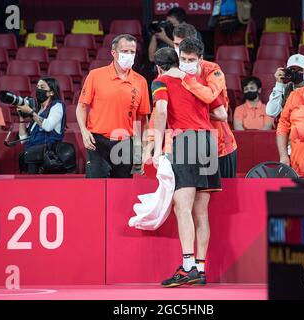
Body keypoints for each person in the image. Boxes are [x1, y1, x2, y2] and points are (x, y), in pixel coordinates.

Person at [149, 47, 226, 287]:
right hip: (207, 142)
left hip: (185, 141)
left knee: (182, 207)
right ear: (178, 61)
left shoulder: (160, 81)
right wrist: (196, 114)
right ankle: (201, 270)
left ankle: (188, 267)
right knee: (200, 211)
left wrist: (159, 147)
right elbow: (222, 114)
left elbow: (161, 112)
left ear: (159, 66)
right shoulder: (197, 81)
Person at [76, 34, 151, 179]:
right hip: (97, 142)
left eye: (132, 52)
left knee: (122, 191)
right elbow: (81, 107)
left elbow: (142, 121)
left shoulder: (140, 81)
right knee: (95, 190)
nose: (129, 55)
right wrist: (84, 131)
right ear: (113, 53)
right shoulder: (95, 75)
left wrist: (141, 152)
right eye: (125, 51)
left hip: (125, 143)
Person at [170, 24, 238, 178]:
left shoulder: (212, 70)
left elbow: (219, 111)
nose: (181, 48)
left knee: (225, 199)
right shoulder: (171, 71)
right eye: (176, 45)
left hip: (219, 144)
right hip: (184, 145)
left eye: (184, 44)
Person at [17, 77, 66, 174]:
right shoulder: (38, 111)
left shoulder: (57, 106)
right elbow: (23, 139)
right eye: (37, 87)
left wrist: (31, 112)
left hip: (46, 160)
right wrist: (21, 117)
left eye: (42, 87)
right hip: (31, 158)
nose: (38, 89)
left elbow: (48, 126)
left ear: (51, 92)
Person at [266, 53, 304, 118]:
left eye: (300, 70)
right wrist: (278, 84)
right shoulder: (284, 88)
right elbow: (271, 112)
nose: (296, 73)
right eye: (292, 69)